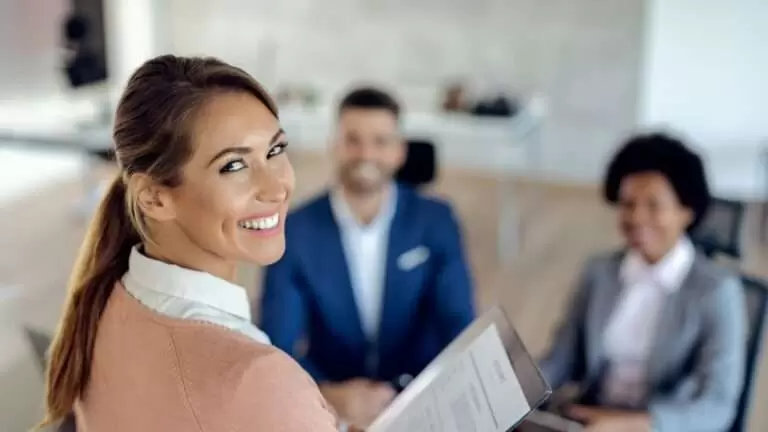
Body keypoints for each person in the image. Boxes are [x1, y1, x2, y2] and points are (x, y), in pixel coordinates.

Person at [41, 55, 338, 431]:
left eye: (275, 150)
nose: (277, 187)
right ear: (153, 197)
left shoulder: (106, 302)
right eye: (234, 165)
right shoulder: (257, 377)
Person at [259, 87, 475, 429]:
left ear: (400, 151)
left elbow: (459, 325)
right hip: (329, 406)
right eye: (353, 140)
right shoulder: (295, 231)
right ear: (334, 145)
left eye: (380, 141)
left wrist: (416, 392)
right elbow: (277, 342)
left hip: (420, 397)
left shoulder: (436, 221)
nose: (366, 153)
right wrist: (330, 394)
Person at [540, 133, 746, 432]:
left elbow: (716, 406)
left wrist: (633, 425)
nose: (636, 217)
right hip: (589, 418)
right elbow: (563, 357)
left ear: (686, 211)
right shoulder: (599, 272)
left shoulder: (716, 292)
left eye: (653, 205)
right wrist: (519, 390)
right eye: (627, 204)